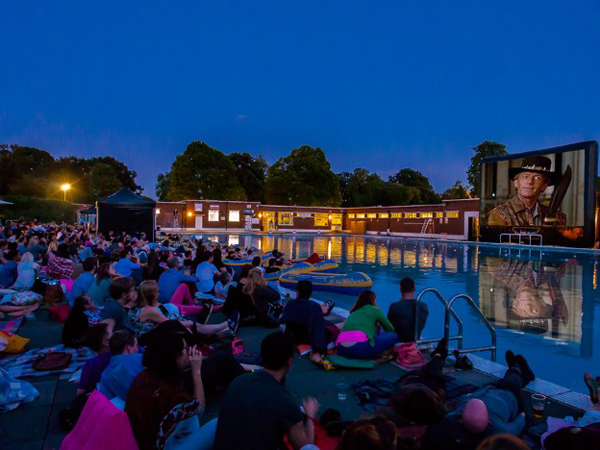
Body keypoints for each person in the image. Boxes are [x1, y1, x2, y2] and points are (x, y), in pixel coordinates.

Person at [214, 332, 320, 449]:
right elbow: (306, 447)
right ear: (289, 362)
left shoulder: (237, 382)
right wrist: (310, 417)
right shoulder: (286, 403)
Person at [423, 351, 536, 449]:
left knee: (502, 382)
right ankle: (516, 368)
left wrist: (469, 397)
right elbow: (520, 422)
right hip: (508, 397)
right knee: (512, 382)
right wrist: (523, 413)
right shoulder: (499, 432)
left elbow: (456, 404)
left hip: (485, 390)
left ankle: (518, 372)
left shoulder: (450, 419)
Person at [125, 333, 218, 449]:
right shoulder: (171, 395)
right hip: (161, 446)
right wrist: (196, 371)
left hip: (148, 441)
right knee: (217, 424)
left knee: (192, 418)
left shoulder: (144, 377)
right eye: (186, 348)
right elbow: (200, 409)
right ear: (176, 357)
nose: (189, 352)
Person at [487, 156, 567, 227]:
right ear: (516, 182)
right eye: (525, 176)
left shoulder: (556, 217)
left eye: (537, 178)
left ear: (544, 186)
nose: (530, 181)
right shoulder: (499, 214)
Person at [282, 280, 338, 359]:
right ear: (310, 293)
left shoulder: (290, 303)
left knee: (326, 324)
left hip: (293, 336)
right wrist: (319, 350)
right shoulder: (314, 307)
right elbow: (318, 330)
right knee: (333, 330)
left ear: (297, 291)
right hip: (307, 338)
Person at [336, 291, 397, 360]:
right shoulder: (375, 309)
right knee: (393, 335)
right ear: (373, 300)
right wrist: (378, 324)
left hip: (341, 350)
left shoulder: (354, 312)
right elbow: (390, 329)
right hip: (358, 350)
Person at [98, 329, 143, 406]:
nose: (138, 348)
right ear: (129, 348)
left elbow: (105, 402)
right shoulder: (139, 359)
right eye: (136, 345)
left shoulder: (104, 376)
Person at [387, 277, 429, 342]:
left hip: (399, 340)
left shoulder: (394, 306)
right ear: (414, 289)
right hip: (415, 339)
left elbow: (389, 326)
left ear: (401, 289)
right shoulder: (423, 306)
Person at [77, 323, 112, 395]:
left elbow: (80, 392)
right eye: (113, 332)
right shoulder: (129, 351)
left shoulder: (90, 365)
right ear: (106, 342)